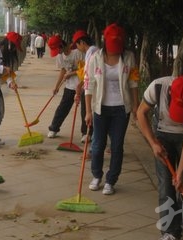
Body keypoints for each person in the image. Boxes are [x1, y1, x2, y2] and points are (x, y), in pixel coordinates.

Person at [137, 75, 183, 240]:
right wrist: (153, 143)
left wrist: (181, 172)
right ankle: (169, 230)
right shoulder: (157, 87)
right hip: (162, 135)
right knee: (166, 184)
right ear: (170, 92)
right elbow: (140, 113)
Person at [84, 23, 140, 195]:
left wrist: (136, 107)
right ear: (105, 41)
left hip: (121, 110)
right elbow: (89, 84)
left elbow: (133, 83)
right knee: (98, 144)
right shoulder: (95, 58)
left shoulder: (129, 57)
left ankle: (111, 180)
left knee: (117, 146)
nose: (115, 50)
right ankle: (96, 175)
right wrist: (88, 111)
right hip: (101, 108)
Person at [46, 35, 85, 138]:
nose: (57, 52)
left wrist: (71, 74)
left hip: (83, 85)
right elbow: (63, 70)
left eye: (57, 49)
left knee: (85, 110)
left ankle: (86, 133)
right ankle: (54, 128)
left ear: (61, 45)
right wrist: (57, 86)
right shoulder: (60, 56)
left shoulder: (78, 53)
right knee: (62, 108)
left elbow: (84, 69)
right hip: (70, 86)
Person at [72, 30, 98, 143]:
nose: (77, 48)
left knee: (88, 110)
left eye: (77, 45)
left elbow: (88, 74)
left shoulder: (91, 52)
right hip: (94, 85)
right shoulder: (94, 50)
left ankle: (90, 135)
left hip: (93, 87)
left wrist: (79, 86)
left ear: (82, 42)